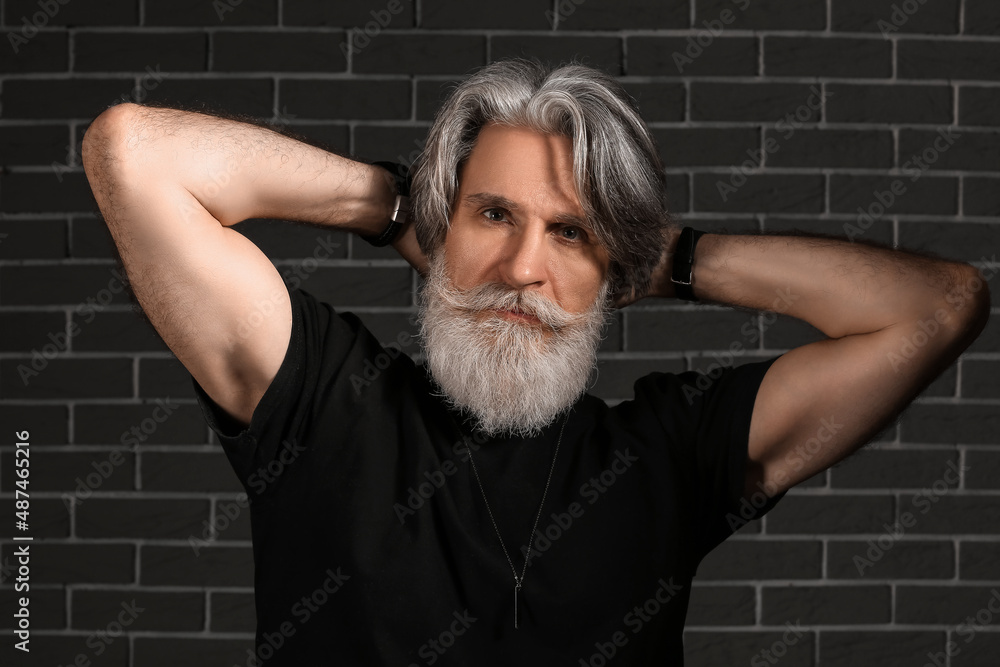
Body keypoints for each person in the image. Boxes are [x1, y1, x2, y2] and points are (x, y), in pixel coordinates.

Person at [81, 58, 989, 665]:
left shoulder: (669, 456)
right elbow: (131, 153)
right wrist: (398, 210)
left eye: (572, 233)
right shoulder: (322, 403)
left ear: (611, 269)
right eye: (491, 215)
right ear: (445, 228)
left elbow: (938, 308)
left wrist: (667, 259)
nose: (523, 269)